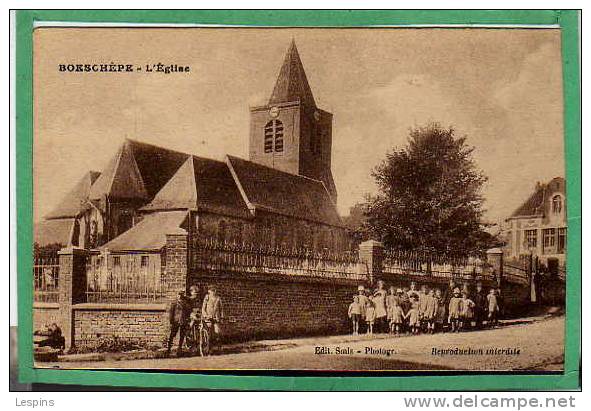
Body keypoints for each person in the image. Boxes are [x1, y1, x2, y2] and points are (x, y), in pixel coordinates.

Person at [201, 286, 224, 351]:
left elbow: (221, 309)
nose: (213, 292)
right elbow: (203, 308)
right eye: (211, 291)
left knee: (218, 333)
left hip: (216, 318)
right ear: (209, 291)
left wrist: (222, 317)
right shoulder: (207, 298)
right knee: (209, 333)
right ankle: (208, 349)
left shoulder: (218, 298)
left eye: (214, 291)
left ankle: (219, 348)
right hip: (208, 318)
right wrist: (206, 315)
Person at [167, 290, 189, 357]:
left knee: (182, 336)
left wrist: (186, 319)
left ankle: (179, 350)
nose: (180, 296)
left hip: (183, 321)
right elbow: (171, 313)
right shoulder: (174, 303)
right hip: (175, 321)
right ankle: (169, 349)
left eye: (181, 295)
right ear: (177, 295)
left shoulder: (185, 303)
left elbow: (187, 312)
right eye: (179, 295)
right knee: (172, 335)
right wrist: (171, 321)